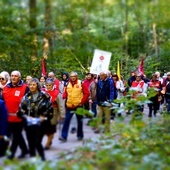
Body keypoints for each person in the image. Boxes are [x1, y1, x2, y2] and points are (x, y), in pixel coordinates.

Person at [17, 78, 53, 160]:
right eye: (30, 85)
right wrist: (26, 116)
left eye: (34, 84)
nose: (32, 86)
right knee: (30, 142)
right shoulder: (26, 97)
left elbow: (50, 109)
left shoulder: (44, 96)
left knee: (37, 142)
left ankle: (42, 158)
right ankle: (32, 158)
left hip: (41, 123)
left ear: (37, 85)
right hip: (29, 123)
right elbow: (21, 110)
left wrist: (44, 116)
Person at [3, 70, 29, 159]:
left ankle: (11, 153)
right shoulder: (6, 88)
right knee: (17, 134)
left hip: (20, 117)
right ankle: (25, 149)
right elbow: (3, 101)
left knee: (16, 135)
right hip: (8, 117)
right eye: (12, 76)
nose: (13, 77)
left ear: (19, 77)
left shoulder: (25, 88)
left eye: (16, 76)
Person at [59, 71, 90, 142]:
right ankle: (64, 136)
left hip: (78, 105)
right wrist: (64, 96)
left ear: (76, 77)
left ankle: (80, 135)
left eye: (74, 76)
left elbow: (87, 93)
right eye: (71, 76)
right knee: (66, 120)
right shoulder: (67, 84)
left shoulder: (81, 83)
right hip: (69, 105)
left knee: (79, 121)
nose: (73, 78)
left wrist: (82, 102)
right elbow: (66, 92)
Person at [43, 78, 65, 150]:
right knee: (45, 129)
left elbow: (61, 105)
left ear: (52, 85)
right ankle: (50, 138)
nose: (48, 86)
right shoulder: (43, 92)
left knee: (51, 129)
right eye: (47, 85)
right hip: (44, 113)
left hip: (54, 113)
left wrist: (62, 115)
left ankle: (48, 143)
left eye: (50, 85)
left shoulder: (57, 93)